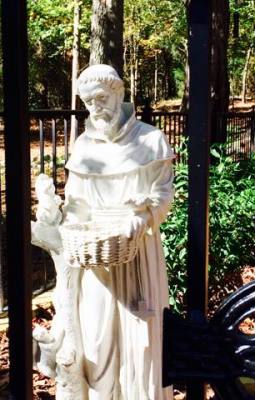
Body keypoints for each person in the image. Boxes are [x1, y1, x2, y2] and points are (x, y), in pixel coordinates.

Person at [32, 64, 174, 400]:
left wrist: (146, 215)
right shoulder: (84, 146)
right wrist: (58, 217)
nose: (95, 108)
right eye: (88, 102)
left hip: (138, 252)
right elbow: (77, 204)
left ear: (119, 93)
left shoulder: (150, 139)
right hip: (96, 258)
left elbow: (164, 192)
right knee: (96, 341)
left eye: (101, 98)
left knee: (141, 341)